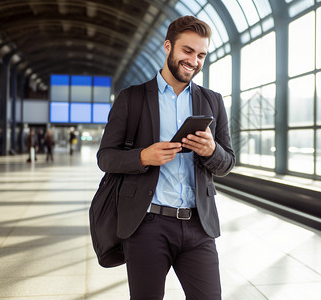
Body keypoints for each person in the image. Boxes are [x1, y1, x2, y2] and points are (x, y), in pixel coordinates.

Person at [97, 16, 235, 300]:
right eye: (187, 51)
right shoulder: (131, 98)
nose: (194, 61)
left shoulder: (213, 101)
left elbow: (228, 163)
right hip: (147, 225)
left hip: (199, 227)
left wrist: (211, 151)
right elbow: (106, 158)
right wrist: (143, 156)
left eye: (201, 55)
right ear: (168, 46)